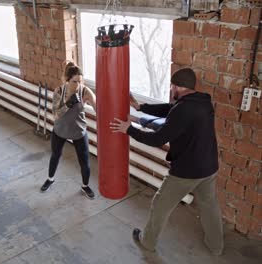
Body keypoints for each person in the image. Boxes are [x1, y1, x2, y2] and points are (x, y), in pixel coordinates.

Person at [110, 68, 224, 255]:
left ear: (177, 86)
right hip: (209, 166)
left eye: (172, 87)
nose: (171, 90)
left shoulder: (183, 109)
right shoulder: (203, 101)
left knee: (160, 204)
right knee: (209, 205)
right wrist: (141, 108)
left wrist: (128, 129)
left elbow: (157, 139)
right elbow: (170, 109)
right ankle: (216, 246)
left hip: (187, 171)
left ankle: (147, 242)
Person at [40, 61, 97, 199]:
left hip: (78, 131)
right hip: (60, 130)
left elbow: (99, 110)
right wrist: (69, 103)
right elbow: (55, 114)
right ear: (67, 80)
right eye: (74, 81)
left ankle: (85, 186)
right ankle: (50, 179)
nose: (78, 85)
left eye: (80, 81)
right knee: (55, 155)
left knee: (84, 161)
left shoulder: (85, 91)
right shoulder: (59, 91)